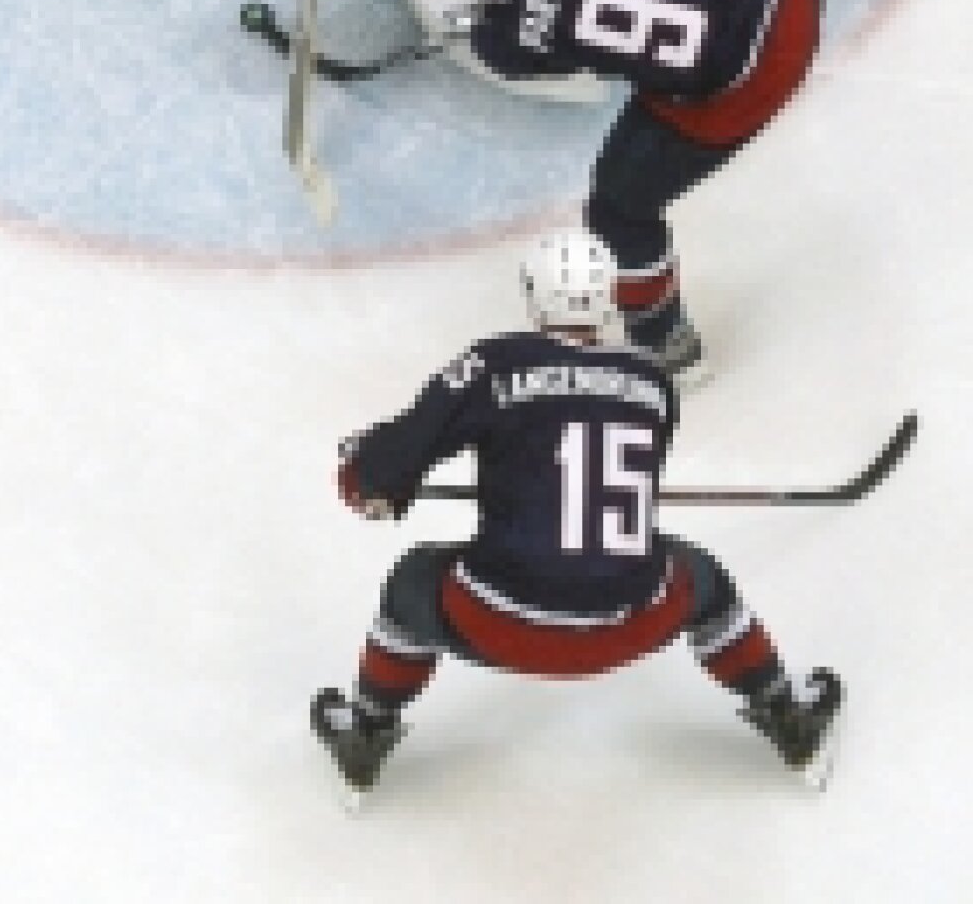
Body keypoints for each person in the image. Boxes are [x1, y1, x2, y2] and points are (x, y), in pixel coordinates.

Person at [311, 226, 843, 800]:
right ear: (609, 297)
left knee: (413, 580)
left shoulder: (495, 364)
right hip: (634, 624)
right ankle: (787, 715)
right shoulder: (655, 383)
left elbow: (382, 474)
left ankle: (365, 726)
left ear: (535, 296)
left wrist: (365, 473)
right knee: (704, 580)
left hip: (501, 623)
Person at [403, 0, 822, 381]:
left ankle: (667, 344)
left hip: (743, 89)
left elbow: (499, 34)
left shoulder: (512, 47)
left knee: (619, 210)